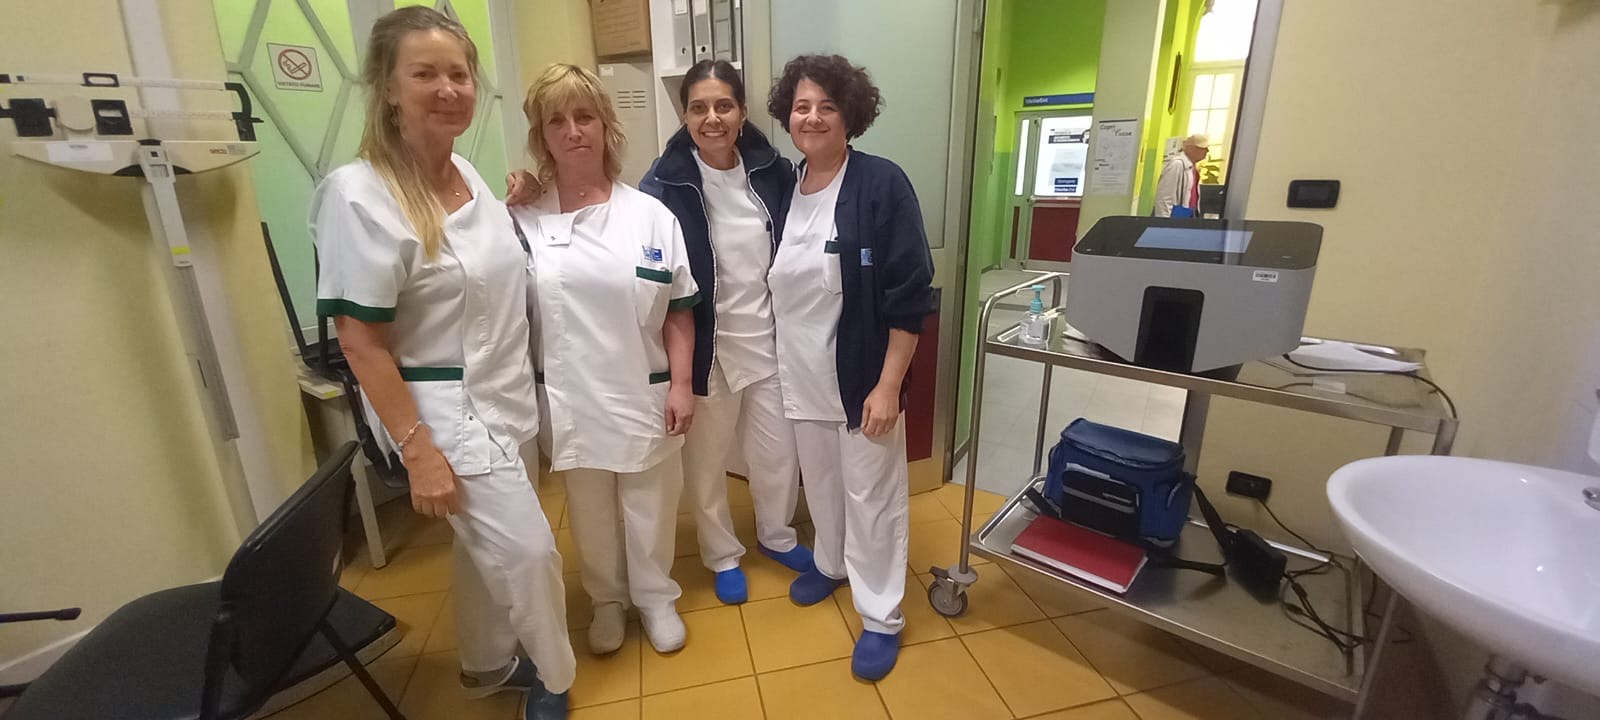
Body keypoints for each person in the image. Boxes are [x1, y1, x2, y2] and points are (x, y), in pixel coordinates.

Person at [310, 7, 571, 719]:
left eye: (459, 74)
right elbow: (361, 343)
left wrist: (516, 203)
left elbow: (481, 274)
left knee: (482, 550)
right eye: (425, 74)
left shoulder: (466, 176)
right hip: (443, 414)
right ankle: (553, 675)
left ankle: (487, 663)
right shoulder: (359, 195)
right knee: (529, 553)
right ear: (388, 87)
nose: (449, 89)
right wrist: (419, 451)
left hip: (506, 396)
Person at [509, 63, 698, 656]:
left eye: (584, 116)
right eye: (556, 121)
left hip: (642, 387)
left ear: (606, 126)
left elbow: (679, 310)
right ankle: (607, 600)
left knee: (651, 503)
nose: (573, 131)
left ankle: (656, 597)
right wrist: (512, 191)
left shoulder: (650, 215)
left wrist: (682, 384)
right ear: (541, 136)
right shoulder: (522, 217)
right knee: (589, 510)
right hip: (570, 395)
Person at [763, 54, 937, 681]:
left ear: (849, 115)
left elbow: (909, 294)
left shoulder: (880, 184)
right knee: (823, 484)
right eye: (801, 107)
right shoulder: (785, 186)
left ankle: (882, 614)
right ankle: (830, 564)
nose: (811, 118)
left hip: (863, 376)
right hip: (801, 373)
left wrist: (890, 385)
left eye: (827, 107)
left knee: (872, 496)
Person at [637, 59, 811, 606]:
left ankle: (777, 535)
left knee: (777, 455)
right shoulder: (662, 184)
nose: (711, 118)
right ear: (684, 115)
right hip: (706, 349)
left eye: (723, 106)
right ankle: (721, 554)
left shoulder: (773, 172)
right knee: (706, 464)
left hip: (768, 341)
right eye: (698, 108)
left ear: (741, 112)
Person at [1153, 133, 1210, 218]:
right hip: (1176, 216)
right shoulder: (1177, 164)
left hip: (1187, 215)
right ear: (1191, 148)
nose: (1207, 151)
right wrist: (1164, 221)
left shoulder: (1192, 167)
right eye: (1203, 148)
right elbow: (1164, 197)